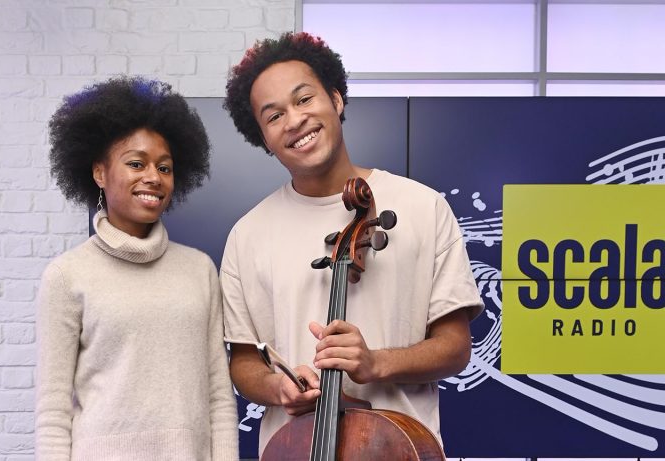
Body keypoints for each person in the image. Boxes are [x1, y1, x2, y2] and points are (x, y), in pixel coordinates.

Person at [220, 31, 484, 455]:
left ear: (336, 100)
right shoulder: (247, 235)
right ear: (264, 139)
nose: (294, 120)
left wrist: (376, 362)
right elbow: (245, 360)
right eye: (274, 116)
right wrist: (277, 387)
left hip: (398, 451)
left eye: (304, 99)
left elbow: (455, 348)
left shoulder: (424, 207)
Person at [35, 76, 238, 460]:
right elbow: (53, 409)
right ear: (99, 173)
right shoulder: (66, 276)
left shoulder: (199, 270)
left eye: (164, 167)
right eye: (135, 163)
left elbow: (218, 393)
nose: (153, 177)